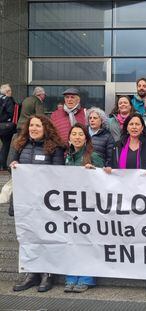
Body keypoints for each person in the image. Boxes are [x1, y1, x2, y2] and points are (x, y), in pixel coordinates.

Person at [10, 115, 65, 293]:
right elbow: (8, 162)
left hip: (44, 202)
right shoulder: (19, 144)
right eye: (31, 125)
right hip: (25, 201)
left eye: (38, 126)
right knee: (28, 237)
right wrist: (14, 163)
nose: (33, 128)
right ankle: (31, 274)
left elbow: (57, 173)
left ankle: (47, 274)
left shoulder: (54, 148)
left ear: (45, 128)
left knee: (46, 237)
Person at [64, 123, 103, 293]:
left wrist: (95, 170)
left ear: (86, 139)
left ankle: (87, 277)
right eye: (74, 134)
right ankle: (71, 277)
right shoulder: (66, 156)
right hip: (70, 208)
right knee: (72, 243)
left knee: (87, 242)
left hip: (89, 208)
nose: (77, 137)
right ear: (69, 138)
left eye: (81, 134)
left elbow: (105, 178)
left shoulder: (93, 156)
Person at [0, 84, 17, 170]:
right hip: (6, 126)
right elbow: (11, 112)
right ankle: (3, 165)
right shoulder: (8, 99)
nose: (11, 92)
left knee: (3, 144)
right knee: (6, 145)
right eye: (10, 91)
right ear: (7, 92)